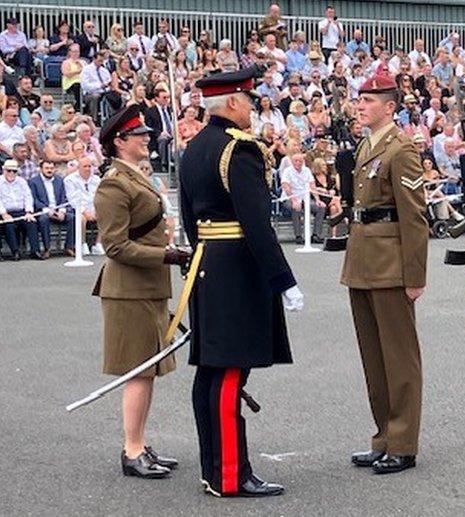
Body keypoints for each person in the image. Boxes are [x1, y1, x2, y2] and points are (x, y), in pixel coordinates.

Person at [179, 66, 302, 497]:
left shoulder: (193, 149)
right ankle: (230, 474)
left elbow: (189, 221)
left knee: (210, 372)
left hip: (208, 264)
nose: (252, 107)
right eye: (248, 99)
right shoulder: (240, 149)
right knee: (230, 373)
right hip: (237, 270)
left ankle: (213, 469)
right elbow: (256, 224)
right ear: (232, 102)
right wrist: (283, 279)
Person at [90, 105, 187, 479]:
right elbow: (114, 246)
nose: (148, 138)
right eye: (139, 135)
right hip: (128, 289)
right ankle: (132, 450)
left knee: (147, 371)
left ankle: (141, 443)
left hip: (147, 286)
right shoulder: (114, 183)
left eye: (147, 133)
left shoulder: (137, 176)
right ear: (120, 141)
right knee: (139, 371)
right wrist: (168, 254)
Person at [339, 73, 428, 475]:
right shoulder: (366, 146)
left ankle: (403, 442)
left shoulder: (401, 148)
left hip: (391, 263)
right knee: (373, 356)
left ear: (390, 107)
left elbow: (414, 217)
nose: (361, 105)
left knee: (399, 356)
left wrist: (415, 274)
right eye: (360, 100)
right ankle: (383, 437)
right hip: (362, 259)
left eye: (370, 100)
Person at [29, 159, 74, 257]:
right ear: (41, 169)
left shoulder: (59, 180)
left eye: (51, 168)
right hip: (43, 211)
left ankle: (69, 247)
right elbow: (34, 200)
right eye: (47, 168)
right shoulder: (33, 182)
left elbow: (64, 197)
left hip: (58, 210)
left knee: (72, 217)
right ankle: (47, 248)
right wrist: (47, 210)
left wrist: (62, 210)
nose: (49, 170)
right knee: (44, 219)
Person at [0, 158, 42, 259]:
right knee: (9, 224)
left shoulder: (22, 181)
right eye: (8, 170)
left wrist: (28, 211)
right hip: (5, 212)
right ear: (3, 170)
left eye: (14, 171)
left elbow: (28, 197)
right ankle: (15, 251)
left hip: (21, 211)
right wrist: (4, 214)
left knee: (31, 222)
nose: (11, 173)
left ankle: (35, 250)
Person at [281, 152, 325, 243]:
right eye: (296, 161)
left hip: (305, 198)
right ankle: (298, 236)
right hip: (289, 198)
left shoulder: (307, 171)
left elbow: (312, 186)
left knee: (321, 207)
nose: (298, 163)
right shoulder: (287, 171)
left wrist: (318, 200)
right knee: (296, 207)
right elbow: (286, 186)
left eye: (300, 161)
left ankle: (316, 235)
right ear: (292, 162)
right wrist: (294, 200)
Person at [64, 156, 103, 255]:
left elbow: (100, 197)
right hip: (77, 209)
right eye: (85, 166)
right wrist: (85, 212)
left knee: (106, 214)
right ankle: (82, 244)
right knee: (81, 219)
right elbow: (72, 199)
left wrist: (95, 210)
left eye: (89, 166)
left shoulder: (96, 179)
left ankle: (98, 244)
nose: (88, 169)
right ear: (79, 168)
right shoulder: (70, 180)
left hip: (94, 208)